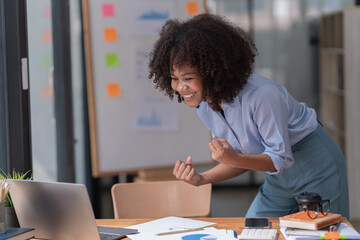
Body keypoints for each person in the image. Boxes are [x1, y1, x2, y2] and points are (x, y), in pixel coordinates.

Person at [148, 13, 349, 219]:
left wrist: (234, 158)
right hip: (279, 176)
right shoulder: (205, 105)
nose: (180, 87)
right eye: (174, 79)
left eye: (188, 78)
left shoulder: (262, 95)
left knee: (325, 232)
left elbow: (277, 157)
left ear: (211, 72)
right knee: (253, 229)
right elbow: (243, 158)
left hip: (316, 166)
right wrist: (200, 178)